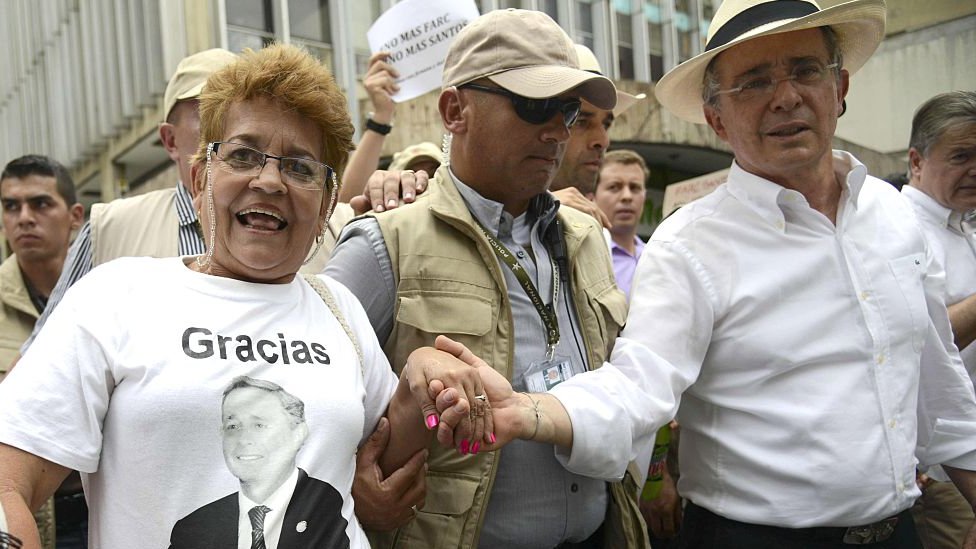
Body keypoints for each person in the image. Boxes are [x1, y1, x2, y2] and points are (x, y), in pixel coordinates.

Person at [0, 43, 490, 549]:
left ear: (326, 207)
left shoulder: (339, 309)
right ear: (199, 178)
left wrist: (422, 376)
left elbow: (383, 465)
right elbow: (10, 478)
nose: (270, 180)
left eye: (300, 168)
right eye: (242, 155)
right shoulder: (116, 296)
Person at [610, 0, 976, 546]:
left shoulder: (891, 212)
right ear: (716, 119)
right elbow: (638, 387)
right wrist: (532, 415)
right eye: (753, 83)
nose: (786, 97)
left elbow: (936, 379)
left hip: (899, 531)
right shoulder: (690, 243)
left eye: (805, 70)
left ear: (840, 89)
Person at [326, 9, 649, 549]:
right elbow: (307, 406)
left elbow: (629, 387)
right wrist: (352, 484)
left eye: (567, 112)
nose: (556, 131)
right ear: (455, 110)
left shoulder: (585, 236)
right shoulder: (385, 243)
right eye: (533, 106)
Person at [901, 90, 976, 549]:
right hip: (941, 471)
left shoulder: (963, 225)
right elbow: (919, 342)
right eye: (961, 156)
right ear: (916, 161)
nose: (975, 169)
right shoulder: (900, 230)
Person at [0, 154, 84, 549]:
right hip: (32, 517)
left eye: (41, 203)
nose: (24, 217)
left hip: (112, 508)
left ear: (75, 216)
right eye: (11, 206)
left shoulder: (109, 296)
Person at [169, 377, 350, 549]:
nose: (243, 439)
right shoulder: (193, 528)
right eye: (232, 426)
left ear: (298, 433)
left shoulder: (329, 505)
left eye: (259, 425)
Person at [549, 44, 646, 229]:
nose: (602, 141)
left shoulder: (594, 228)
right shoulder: (494, 218)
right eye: (581, 121)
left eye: (606, 124)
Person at [594, 149, 649, 299]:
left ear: (645, 195)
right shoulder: (583, 258)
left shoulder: (657, 256)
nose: (627, 196)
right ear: (592, 196)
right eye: (614, 187)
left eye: (635, 187)